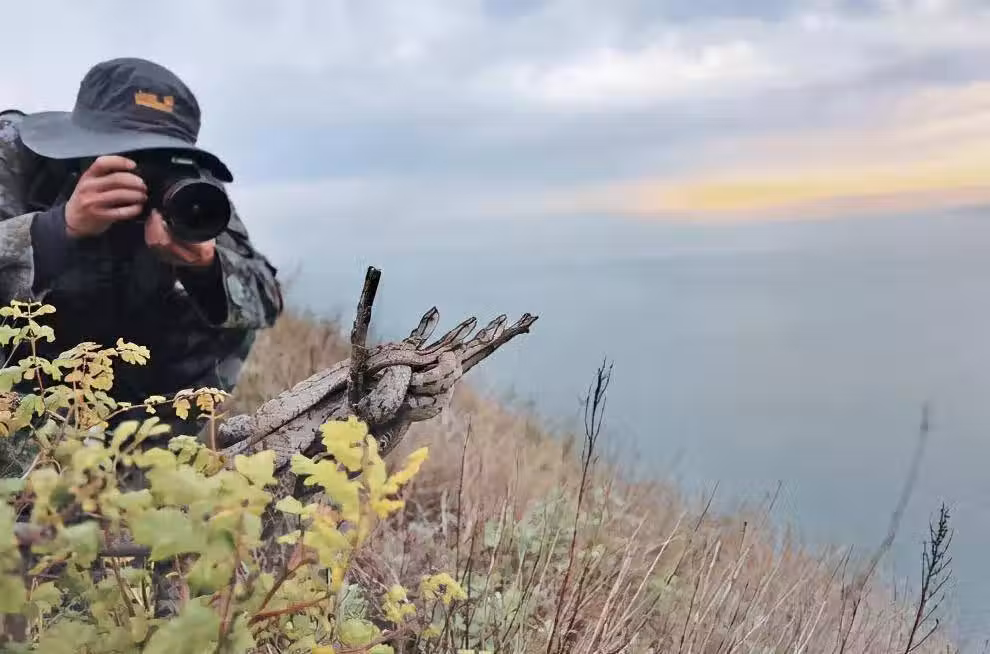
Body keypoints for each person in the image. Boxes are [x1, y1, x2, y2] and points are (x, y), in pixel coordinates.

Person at [0, 57, 283, 470]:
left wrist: (206, 268)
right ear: (78, 143)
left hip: (131, 367)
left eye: (158, 158)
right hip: (23, 360)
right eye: (122, 154)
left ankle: (143, 470)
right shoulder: (15, 155)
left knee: (228, 314)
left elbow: (266, 296)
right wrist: (56, 230)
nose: (143, 170)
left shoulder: (191, 186)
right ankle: (20, 464)